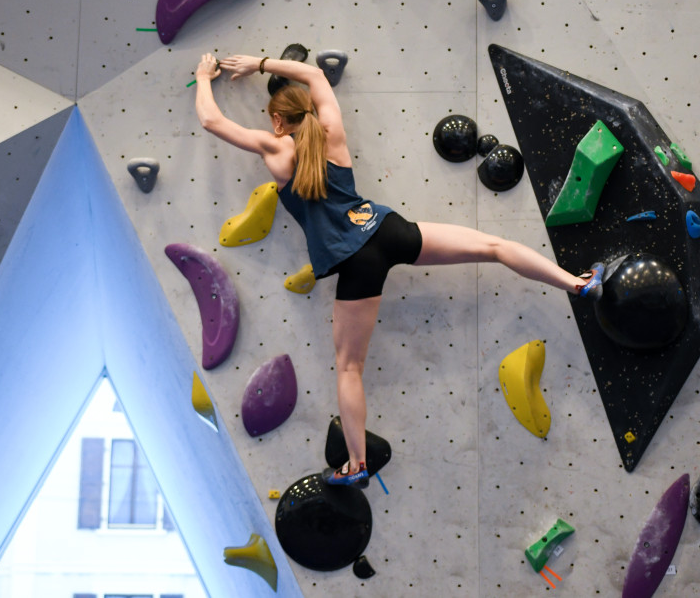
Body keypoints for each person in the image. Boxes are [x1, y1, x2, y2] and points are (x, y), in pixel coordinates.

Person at [194, 52, 602, 488]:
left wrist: (203, 78)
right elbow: (313, 74)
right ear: (309, 111)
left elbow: (211, 121)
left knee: (349, 368)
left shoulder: (276, 149)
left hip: (355, 265)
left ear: (278, 122)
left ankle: (356, 463)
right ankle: (577, 284)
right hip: (387, 230)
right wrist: (260, 63)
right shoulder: (331, 134)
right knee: (494, 246)